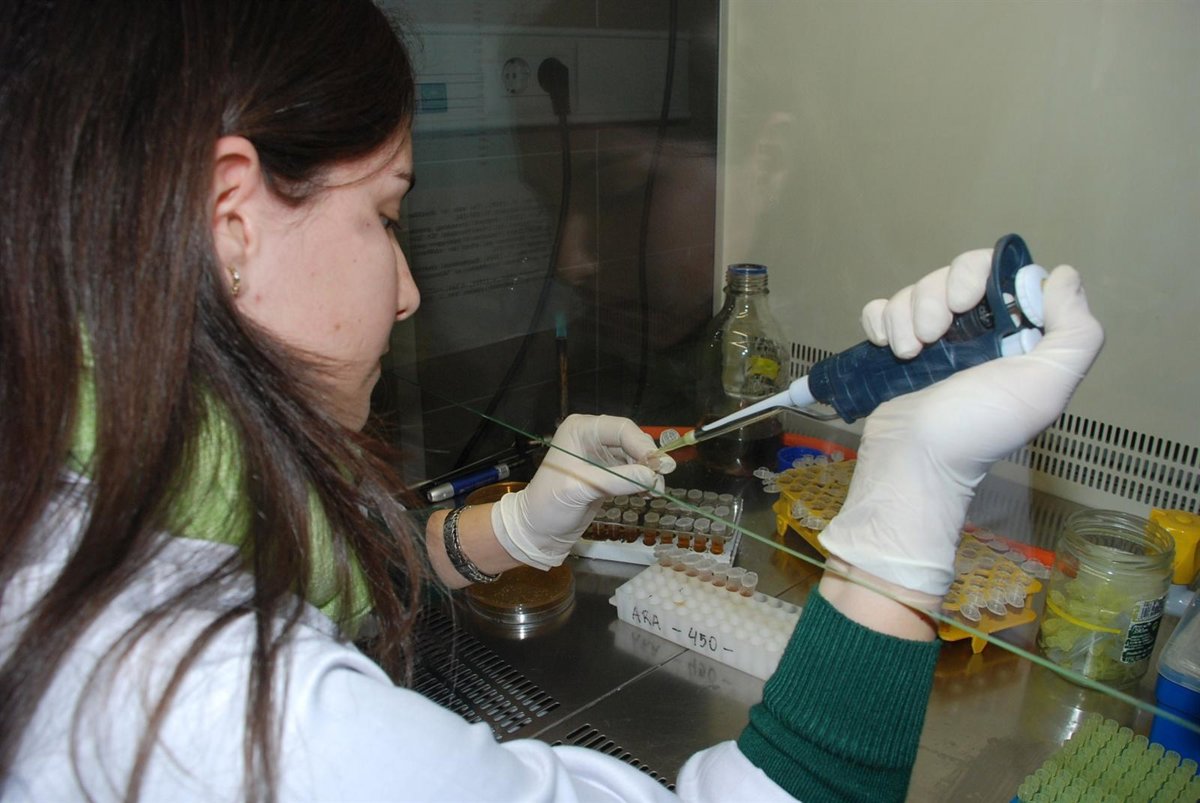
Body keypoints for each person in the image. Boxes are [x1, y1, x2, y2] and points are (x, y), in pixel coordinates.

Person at [0, 1, 1104, 801]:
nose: (408, 290)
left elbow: (323, 565)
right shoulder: (217, 710)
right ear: (232, 219)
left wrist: (520, 523)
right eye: (386, 215)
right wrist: (908, 497)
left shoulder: (76, 473)